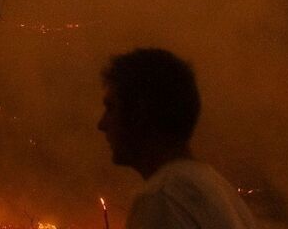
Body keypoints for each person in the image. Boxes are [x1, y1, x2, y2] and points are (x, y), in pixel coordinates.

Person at [98, 48, 257, 229]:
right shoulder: (218, 191)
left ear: (139, 114)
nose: (101, 124)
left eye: (111, 108)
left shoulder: (162, 199)